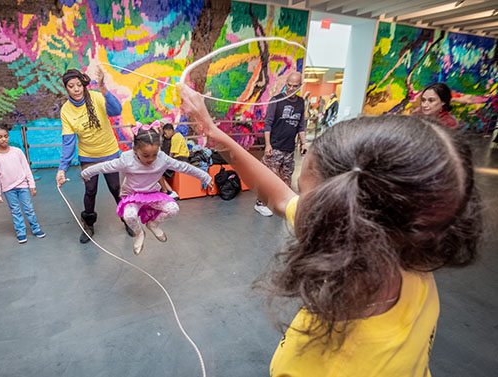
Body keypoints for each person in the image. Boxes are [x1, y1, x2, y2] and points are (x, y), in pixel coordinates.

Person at [180, 84, 481, 377]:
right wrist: (214, 132)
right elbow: (280, 198)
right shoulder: (403, 246)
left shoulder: (322, 367)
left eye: (306, 192)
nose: (299, 203)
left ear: (336, 215)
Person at [80, 125, 212, 255]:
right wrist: (86, 173)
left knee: (173, 208)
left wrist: (206, 177)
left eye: (154, 154)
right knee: (129, 215)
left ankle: (153, 224)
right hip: (133, 196)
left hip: (152, 195)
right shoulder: (127, 159)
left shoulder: (162, 158)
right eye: (145, 155)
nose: (150, 159)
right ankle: (139, 233)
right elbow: (105, 166)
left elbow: (184, 167)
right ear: (135, 150)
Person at [56, 68, 135, 243]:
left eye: (78, 85)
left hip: (110, 153)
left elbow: (116, 111)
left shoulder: (96, 97)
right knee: (90, 190)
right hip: (88, 157)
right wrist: (62, 169)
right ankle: (89, 224)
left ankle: (126, 219)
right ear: (66, 89)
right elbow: (68, 142)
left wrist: (103, 88)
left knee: (116, 189)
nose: (76, 89)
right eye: (71, 86)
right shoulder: (66, 110)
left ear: (83, 85)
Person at [254, 71, 306, 217]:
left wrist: (303, 143)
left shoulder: (301, 103)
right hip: (275, 146)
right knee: (270, 177)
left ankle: (281, 203)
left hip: (289, 148)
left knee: (286, 179)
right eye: (288, 85)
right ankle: (260, 203)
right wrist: (268, 145)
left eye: (294, 86)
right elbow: (268, 124)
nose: (290, 89)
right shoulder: (276, 100)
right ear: (286, 84)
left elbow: (301, 125)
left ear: (299, 86)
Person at [0, 124, 45, 244]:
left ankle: (35, 228)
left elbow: (26, 168)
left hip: (23, 185)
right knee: (15, 210)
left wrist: (31, 184)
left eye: (6, 136)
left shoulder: (17, 151)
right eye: (0, 137)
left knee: (29, 209)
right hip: (8, 189)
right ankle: (20, 232)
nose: (3, 139)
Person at [159, 122, 191, 199]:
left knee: (160, 171)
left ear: (171, 131)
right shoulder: (177, 136)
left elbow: (172, 153)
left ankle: (169, 191)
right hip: (180, 158)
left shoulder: (176, 137)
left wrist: (166, 162)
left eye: (166, 133)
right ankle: (167, 190)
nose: (165, 135)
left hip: (180, 158)